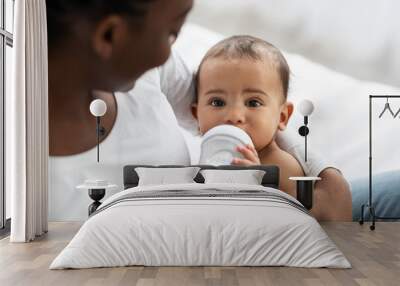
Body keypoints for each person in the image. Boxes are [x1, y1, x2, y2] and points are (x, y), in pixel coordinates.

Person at [46, 1, 351, 222]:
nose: (234, 115)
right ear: (110, 35)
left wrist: (272, 155)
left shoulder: (154, 71)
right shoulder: (34, 187)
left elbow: (238, 99)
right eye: (170, 34)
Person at [192, 35, 352, 220]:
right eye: (217, 102)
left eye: (253, 102)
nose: (234, 116)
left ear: (282, 117)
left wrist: (258, 186)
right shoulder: (203, 159)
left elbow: (298, 219)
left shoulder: (280, 165)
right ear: (196, 115)